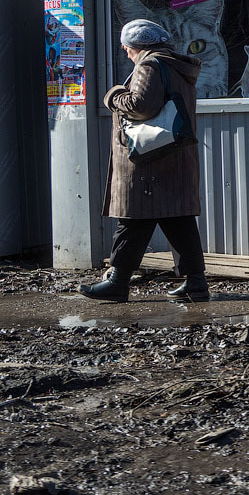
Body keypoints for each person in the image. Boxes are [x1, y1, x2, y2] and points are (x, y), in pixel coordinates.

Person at [78, 19, 210, 303]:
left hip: (148, 160)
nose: (126, 53)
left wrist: (113, 95)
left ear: (137, 46)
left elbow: (140, 106)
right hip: (170, 157)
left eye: (127, 48)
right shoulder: (175, 65)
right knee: (177, 218)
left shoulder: (149, 65)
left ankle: (118, 282)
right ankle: (196, 282)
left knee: (133, 219)